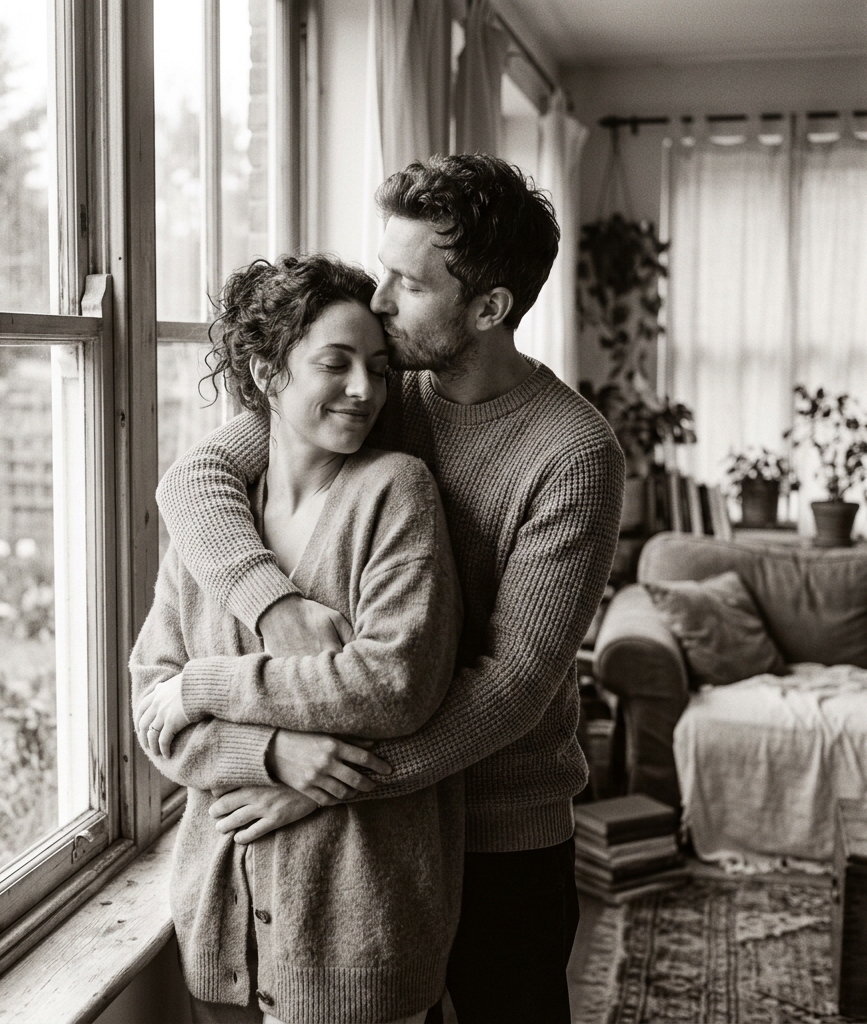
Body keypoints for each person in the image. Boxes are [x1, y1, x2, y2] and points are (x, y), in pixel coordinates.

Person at [156, 154, 626, 1023]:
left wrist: (325, 780)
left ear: (488, 309)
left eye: (407, 286)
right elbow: (193, 483)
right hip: (372, 841)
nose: (378, 304)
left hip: (497, 826)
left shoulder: (574, 454)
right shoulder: (382, 387)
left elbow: (513, 682)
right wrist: (272, 602)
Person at [130, 253, 464, 1024]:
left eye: (379, 369)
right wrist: (270, 755)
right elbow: (154, 704)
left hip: (360, 932)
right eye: (335, 364)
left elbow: (391, 686)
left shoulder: (395, 491)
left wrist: (206, 689)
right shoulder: (215, 522)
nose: (364, 390)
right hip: (220, 933)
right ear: (267, 372)